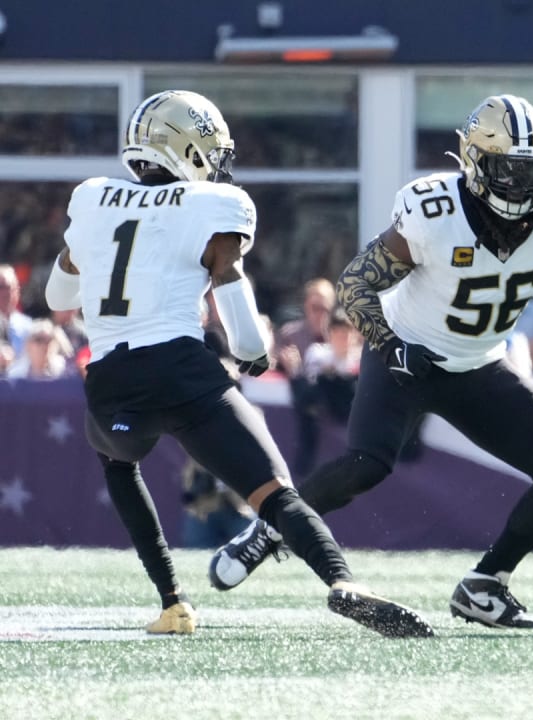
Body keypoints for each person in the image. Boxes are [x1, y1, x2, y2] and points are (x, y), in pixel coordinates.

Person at [209, 94, 533, 630]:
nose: (520, 184)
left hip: (479, 363)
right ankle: (271, 526)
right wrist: (391, 345)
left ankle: (486, 584)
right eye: (506, 168)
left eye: (531, 170)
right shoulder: (435, 212)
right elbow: (356, 285)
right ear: (475, 162)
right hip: (406, 353)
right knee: (369, 464)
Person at [46, 89, 433, 638]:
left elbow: (60, 297)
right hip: (183, 372)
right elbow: (231, 287)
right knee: (276, 494)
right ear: (187, 147)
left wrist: (85, 251)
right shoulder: (214, 205)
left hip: (112, 384)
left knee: (117, 463)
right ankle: (341, 580)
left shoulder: (91, 199)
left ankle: (172, 604)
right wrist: (253, 353)